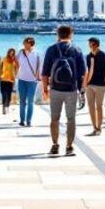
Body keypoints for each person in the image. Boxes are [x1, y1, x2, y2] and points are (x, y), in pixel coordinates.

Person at [42, 25, 85, 156]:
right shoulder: (77, 50)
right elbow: (83, 73)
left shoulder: (51, 49)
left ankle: (55, 145)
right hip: (71, 89)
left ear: (57, 35)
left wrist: (45, 88)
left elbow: (45, 73)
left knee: (54, 118)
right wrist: (81, 89)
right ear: (71, 35)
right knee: (71, 119)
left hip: (55, 89)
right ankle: (69, 146)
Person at [83, 38, 105, 137]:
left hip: (101, 85)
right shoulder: (88, 56)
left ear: (97, 45)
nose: (90, 46)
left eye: (92, 44)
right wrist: (84, 84)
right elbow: (86, 71)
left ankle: (99, 127)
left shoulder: (104, 56)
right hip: (90, 85)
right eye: (89, 45)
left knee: (99, 107)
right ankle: (94, 127)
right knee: (90, 107)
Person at [16, 36, 42, 127]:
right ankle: (22, 120)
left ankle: (29, 120)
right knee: (22, 101)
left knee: (30, 101)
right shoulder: (20, 53)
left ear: (30, 43)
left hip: (33, 81)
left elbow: (40, 67)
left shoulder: (37, 54)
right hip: (21, 79)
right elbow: (15, 63)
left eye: (25, 43)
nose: (23, 44)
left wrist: (40, 77)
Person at [0, 48, 18, 116]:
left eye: (13, 53)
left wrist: (15, 78)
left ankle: (7, 107)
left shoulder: (14, 61)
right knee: (3, 94)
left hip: (11, 80)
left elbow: (17, 69)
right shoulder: (3, 59)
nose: (11, 54)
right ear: (8, 52)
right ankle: (3, 107)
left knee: (9, 95)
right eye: (10, 52)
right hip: (3, 79)